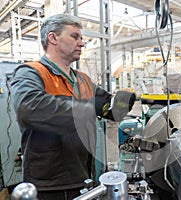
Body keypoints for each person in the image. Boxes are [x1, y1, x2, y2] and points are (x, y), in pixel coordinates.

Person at [10, 13, 136, 200]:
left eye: (81, 38)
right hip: (50, 184)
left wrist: (126, 99)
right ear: (53, 38)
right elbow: (29, 109)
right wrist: (86, 109)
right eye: (75, 36)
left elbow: (108, 109)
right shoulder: (31, 72)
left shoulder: (82, 79)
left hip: (83, 175)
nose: (82, 43)